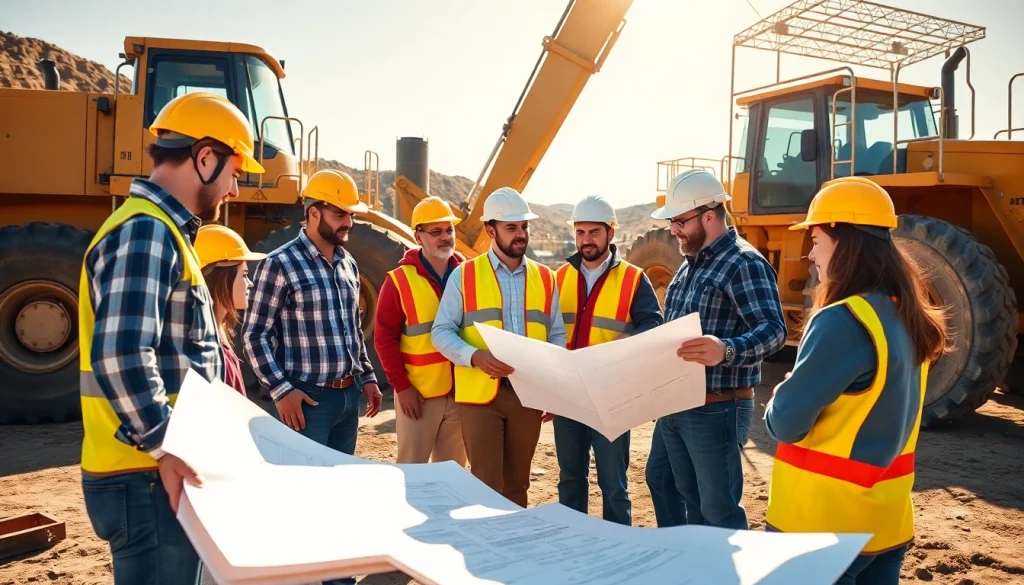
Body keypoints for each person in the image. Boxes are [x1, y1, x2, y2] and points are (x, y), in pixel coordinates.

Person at [79, 91, 263, 584]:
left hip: (147, 469)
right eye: (233, 173)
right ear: (205, 158)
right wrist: (166, 446)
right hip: (144, 474)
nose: (235, 190)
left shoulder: (163, 233)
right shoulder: (147, 232)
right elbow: (122, 353)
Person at [763, 177, 949, 585]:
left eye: (816, 240)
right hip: (886, 521)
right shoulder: (909, 315)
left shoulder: (842, 320)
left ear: (844, 242)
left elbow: (785, 423)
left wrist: (782, 389)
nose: (810, 254)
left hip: (820, 529)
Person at [645, 168, 787, 530]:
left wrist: (726, 350)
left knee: (717, 510)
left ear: (708, 216)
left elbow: (774, 331)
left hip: (716, 408)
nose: (673, 230)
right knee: (662, 482)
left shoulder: (745, 263)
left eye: (679, 221)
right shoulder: (688, 265)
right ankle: (683, 557)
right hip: (675, 404)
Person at [431, 186, 565, 507]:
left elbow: (556, 336)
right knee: (486, 484)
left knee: (518, 485)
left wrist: (552, 387)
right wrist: (474, 357)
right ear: (490, 230)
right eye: (511, 228)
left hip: (528, 395)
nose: (521, 235)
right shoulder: (464, 276)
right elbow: (441, 332)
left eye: (524, 227)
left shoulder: (546, 278)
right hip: (480, 396)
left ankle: (512, 551)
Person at [552, 194, 663, 525]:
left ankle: (618, 546)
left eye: (594, 232)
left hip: (612, 395)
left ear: (610, 233)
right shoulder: (559, 278)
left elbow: (652, 324)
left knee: (613, 482)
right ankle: (574, 541)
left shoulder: (633, 278)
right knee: (570, 476)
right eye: (581, 232)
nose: (586, 240)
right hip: (569, 393)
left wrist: (626, 342)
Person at [374, 196, 468, 466]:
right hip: (419, 396)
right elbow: (384, 339)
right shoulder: (399, 281)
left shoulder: (468, 275)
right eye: (435, 231)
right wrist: (402, 388)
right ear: (418, 237)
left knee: (453, 476)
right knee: (412, 473)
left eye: (449, 230)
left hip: (462, 393)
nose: (445, 237)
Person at [194, 224, 266, 396]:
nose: (251, 283)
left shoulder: (218, 331)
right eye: (244, 275)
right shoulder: (203, 344)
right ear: (221, 279)